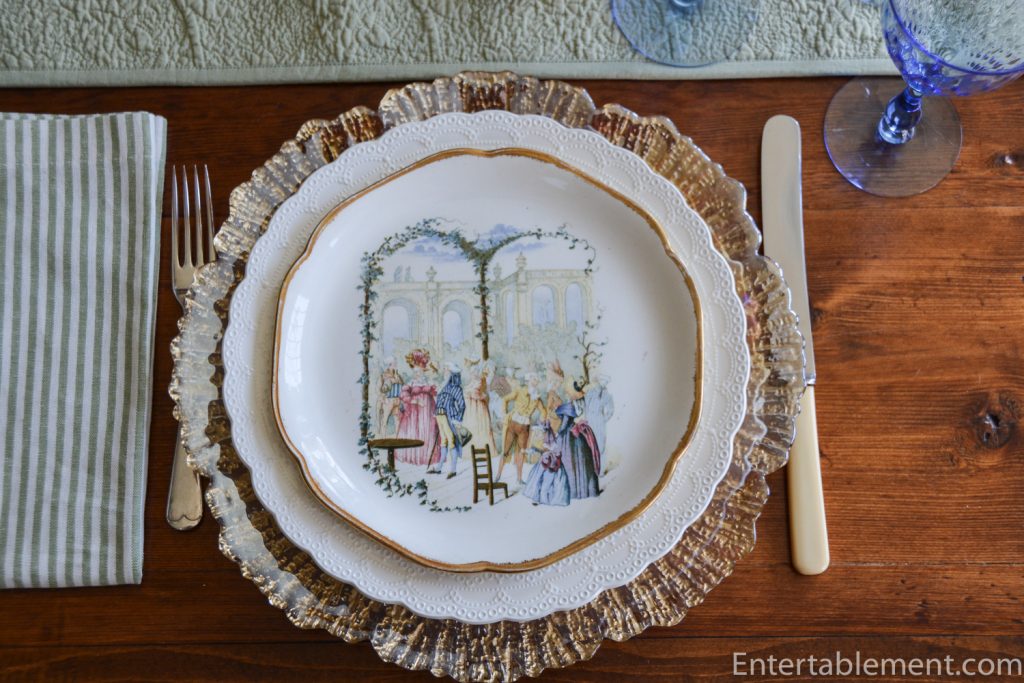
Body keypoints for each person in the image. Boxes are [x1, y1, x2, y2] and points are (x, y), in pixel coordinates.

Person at [555, 379, 601, 500]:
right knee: (583, 462)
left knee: (571, 463)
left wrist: (558, 433)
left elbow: (564, 425)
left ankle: (575, 493)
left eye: (568, 392)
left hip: (571, 437)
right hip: (581, 435)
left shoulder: (569, 407)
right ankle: (588, 491)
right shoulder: (580, 402)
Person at [500, 372, 546, 485]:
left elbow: (543, 411)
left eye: (537, 380)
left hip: (525, 427)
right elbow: (505, 399)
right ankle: (498, 474)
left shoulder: (537, 397)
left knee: (521, 452)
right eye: (533, 379)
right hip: (513, 424)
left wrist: (541, 423)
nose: (535, 382)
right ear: (528, 380)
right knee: (505, 450)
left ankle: (519, 479)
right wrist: (504, 414)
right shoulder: (519, 390)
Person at [394, 350, 436, 465]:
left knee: (426, 430)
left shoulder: (428, 382)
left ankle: (426, 457)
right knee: (414, 431)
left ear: (423, 371)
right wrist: (415, 401)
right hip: (414, 413)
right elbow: (404, 395)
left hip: (427, 411)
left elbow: (434, 394)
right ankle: (413, 456)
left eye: (419, 371)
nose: (417, 373)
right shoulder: (411, 383)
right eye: (415, 371)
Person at [428, 363, 466, 479]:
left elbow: (462, 405)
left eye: (446, 370)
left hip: (449, 417)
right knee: (443, 441)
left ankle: (453, 470)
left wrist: (458, 419)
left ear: (451, 373)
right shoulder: (444, 386)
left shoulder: (456, 388)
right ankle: (439, 468)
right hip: (439, 416)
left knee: (451, 441)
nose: (444, 372)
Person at [522, 430, 570, 507]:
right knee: (538, 481)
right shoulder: (547, 450)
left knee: (547, 485)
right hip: (544, 466)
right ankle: (537, 498)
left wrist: (553, 467)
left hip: (551, 468)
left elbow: (557, 461)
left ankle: (545, 500)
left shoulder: (555, 451)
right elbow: (542, 453)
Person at [462, 360, 497, 463]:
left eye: (474, 372)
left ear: (477, 373)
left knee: (480, 428)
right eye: (471, 373)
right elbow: (468, 392)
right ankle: (470, 453)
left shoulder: (480, 381)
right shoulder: (472, 382)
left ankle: (484, 452)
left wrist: (469, 393)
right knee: (471, 428)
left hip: (479, 409)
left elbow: (477, 394)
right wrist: (468, 393)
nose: (473, 374)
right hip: (471, 410)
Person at [584, 374, 614, 466]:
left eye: (606, 382)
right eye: (602, 381)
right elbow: (586, 405)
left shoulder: (607, 395)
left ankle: (600, 465)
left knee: (600, 440)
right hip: (590, 418)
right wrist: (587, 417)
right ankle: (591, 464)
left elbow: (610, 410)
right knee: (589, 440)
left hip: (599, 419)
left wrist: (603, 419)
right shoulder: (590, 392)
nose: (603, 383)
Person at [375, 356, 404, 437]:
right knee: (384, 420)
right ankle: (383, 438)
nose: (396, 364)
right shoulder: (383, 376)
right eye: (394, 363)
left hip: (397, 401)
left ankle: (397, 438)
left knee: (397, 420)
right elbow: (378, 390)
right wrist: (383, 399)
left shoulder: (398, 376)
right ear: (390, 364)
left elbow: (402, 387)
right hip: (388, 401)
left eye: (395, 363)